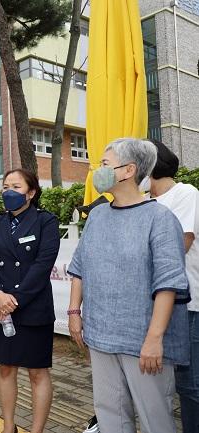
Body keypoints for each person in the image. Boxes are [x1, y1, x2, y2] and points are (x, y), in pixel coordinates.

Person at [67, 138, 189, 433]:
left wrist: (154, 339)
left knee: (154, 419)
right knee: (109, 415)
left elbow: (168, 283)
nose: (98, 170)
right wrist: (74, 312)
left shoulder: (159, 218)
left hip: (143, 342)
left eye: (105, 164)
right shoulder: (97, 216)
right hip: (100, 336)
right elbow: (80, 266)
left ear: (128, 170)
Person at [0, 168, 60, 433]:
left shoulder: (45, 221)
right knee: (5, 368)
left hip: (32, 307)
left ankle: (36, 430)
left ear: (31, 192)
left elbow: (43, 264)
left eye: (15, 186)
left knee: (37, 372)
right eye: (5, 187)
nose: (8, 192)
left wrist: (14, 299)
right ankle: (8, 427)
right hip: (0, 306)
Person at [148, 139, 199, 433]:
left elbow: (182, 243)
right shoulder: (146, 200)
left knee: (190, 383)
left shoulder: (185, 193)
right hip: (154, 305)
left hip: (186, 304)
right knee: (159, 380)